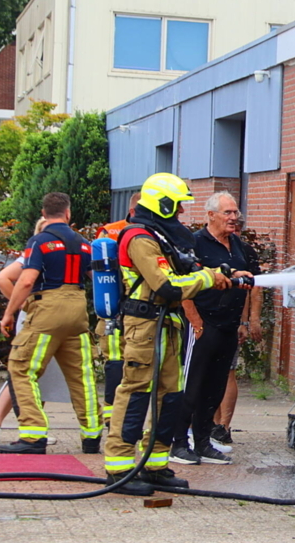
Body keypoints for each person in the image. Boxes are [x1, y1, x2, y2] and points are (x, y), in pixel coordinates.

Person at [103, 174, 246, 495]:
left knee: (169, 396)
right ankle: (119, 468)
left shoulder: (161, 235)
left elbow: (186, 271)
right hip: (144, 326)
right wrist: (209, 278)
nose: (181, 212)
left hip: (167, 323)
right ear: (162, 204)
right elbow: (166, 284)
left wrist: (225, 273)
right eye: (177, 205)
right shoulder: (139, 237)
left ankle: (155, 465)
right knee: (136, 393)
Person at [0, 193, 104, 455]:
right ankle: (92, 436)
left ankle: (33, 436)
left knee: (21, 368)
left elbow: (25, 280)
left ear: (44, 214)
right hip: (77, 310)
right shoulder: (84, 244)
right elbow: (98, 278)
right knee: (82, 377)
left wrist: (9, 313)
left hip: (48, 309)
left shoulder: (40, 241)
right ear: (68, 214)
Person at [170, 192, 253, 466]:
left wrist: (243, 321)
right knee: (192, 385)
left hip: (228, 327)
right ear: (211, 215)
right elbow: (183, 284)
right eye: (228, 213)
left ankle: (204, 442)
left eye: (235, 213)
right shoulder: (195, 243)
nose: (234, 218)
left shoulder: (237, 245)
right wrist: (194, 321)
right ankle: (178, 442)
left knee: (215, 387)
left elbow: (248, 284)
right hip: (203, 325)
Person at [0, 218, 67, 448]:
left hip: (42, 319)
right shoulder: (34, 254)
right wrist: (23, 305)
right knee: (22, 375)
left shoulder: (45, 254)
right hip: (35, 320)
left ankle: (33, 428)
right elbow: (3, 278)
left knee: (37, 377)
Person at [212, 217, 262, 446]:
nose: (234, 229)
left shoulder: (245, 251)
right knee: (208, 374)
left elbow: (254, 287)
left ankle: (223, 426)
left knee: (228, 372)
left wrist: (250, 320)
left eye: (237, 225)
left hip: (232, 321)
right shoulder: (204, 244)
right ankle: (211, 424)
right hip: (208, 319)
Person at [94, 192, 141, 425]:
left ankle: (114, 416)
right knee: (121, 363)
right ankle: (116, 416)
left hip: (114, 310)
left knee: (116, 361)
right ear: (134, 211)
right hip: (128, 310)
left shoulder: (108, 231)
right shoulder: (133, 233)